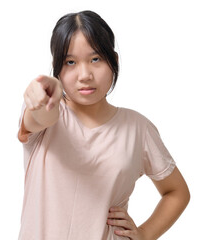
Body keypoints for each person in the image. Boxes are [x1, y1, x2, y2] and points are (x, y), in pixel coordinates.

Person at [17, 10, 190, 240]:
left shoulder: (138, 128)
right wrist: (45, 94)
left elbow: (177, 192)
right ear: (57, 67)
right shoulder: (50, 115)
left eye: (95, 59)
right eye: (70, 62)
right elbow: (40, 116)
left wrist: (145, 234)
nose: (85, 74)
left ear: (114, 61)